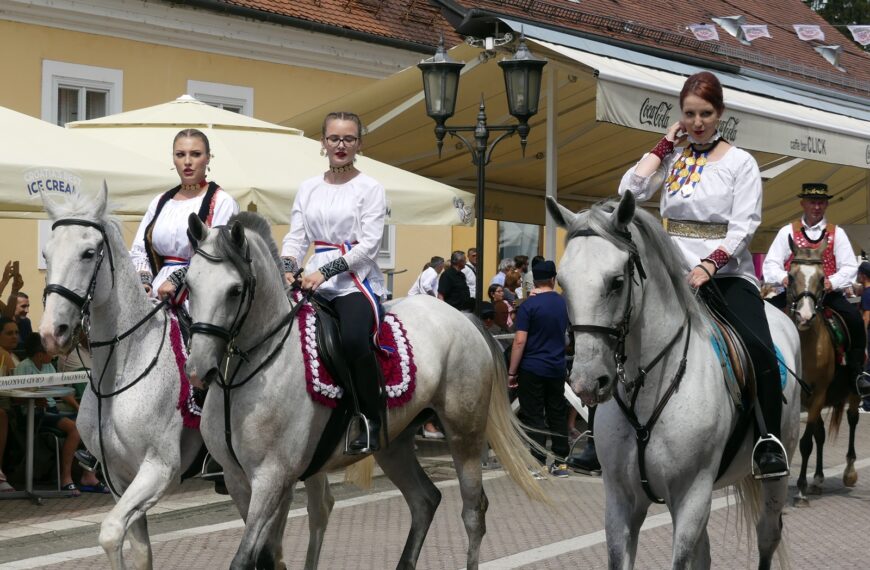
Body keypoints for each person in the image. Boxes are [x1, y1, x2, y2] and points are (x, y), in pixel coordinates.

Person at [618, 71, 787, 479]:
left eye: (705, 114)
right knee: (614, 332)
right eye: (690, 114)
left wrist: (710, 264)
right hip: (667, 275)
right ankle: (598, 434)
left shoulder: (740, 162)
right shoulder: (672, 158)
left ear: (721, 113)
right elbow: (629, 192)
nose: (697, 122)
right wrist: (662, 145)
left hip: (725, 275)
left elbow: (744, 225)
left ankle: (769, 440)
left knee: (759, 346)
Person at [282, 111, 387, 453]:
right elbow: (297, 237)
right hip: (311, 277)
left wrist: (325, 272)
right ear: (322, 142)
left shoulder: (370, 188)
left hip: (353, 280)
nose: (341, 145)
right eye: (334, 138)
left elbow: (369, 245)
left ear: (359, 144)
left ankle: (372, 419)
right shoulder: (308, 188)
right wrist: (287, 265)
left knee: (355, 339)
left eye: (348, 139)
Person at [763, 183, 870, 398]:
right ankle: (762, 365)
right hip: (794, 293)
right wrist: (783, 278)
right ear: (803, 203)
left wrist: (832, 282)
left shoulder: (836, 233)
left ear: (827, 204)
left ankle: (856, 373)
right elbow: (771, 263)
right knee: (763, 316)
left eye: (821, 202)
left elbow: (849, 266)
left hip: (827, 295)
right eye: (812, 202)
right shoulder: (788, 231)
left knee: (854, 320)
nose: (817, 206)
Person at [130, 128, 239, 302]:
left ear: (208, 158)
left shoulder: (222, 201)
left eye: (195, 154)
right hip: (155, 293)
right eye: (180, 155)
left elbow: (222, 255)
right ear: (173, 158)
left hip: (201, 297)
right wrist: (144, 281)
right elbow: (140, 250)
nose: (187, 161)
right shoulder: (160, 202)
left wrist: (178, 278)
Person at [13, 333, 105, 495]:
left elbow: (62, 392)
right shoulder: (23, 367)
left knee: (92, 424)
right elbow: (16, 397)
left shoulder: (49, 366)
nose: (54, 354)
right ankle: (66, 478)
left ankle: (88, 475)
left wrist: (79, 409)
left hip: (52, 411)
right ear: (40, 354)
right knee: (75, 429)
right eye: (51, 350)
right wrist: (35, 400)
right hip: (34, 414)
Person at [507, 260, 571, 478]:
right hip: (556, 366)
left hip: (532, 366)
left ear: (534, 281)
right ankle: (561, 463)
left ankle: (538, 463)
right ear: (553, 279)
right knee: (557, 413)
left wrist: (512, 372)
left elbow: (519, 341)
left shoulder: (528, 306)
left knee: (534, 415)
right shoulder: (563, 303)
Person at [0, 316, 18, 492]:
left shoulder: (14, 355)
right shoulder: (3, 354)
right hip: (10, 408)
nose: (14, 337)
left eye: (17, 333)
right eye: (9, 333)